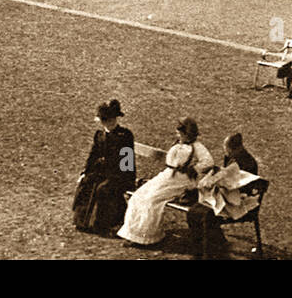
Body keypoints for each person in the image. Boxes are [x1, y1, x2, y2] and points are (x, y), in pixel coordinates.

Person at [118, 117, 213, 246]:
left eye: (180, 133)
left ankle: (148, 237)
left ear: (187, 133)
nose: (178, 135)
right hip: (168, 176)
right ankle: (134, 235)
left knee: (152, 200)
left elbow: (208, 162)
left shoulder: (197, 147)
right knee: (139, 195)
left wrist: (194, 168)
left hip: (182, 181)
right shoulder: (178, 144)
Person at [187, 133, 261, 260]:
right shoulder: (233, 157)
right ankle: (212, 245)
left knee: (204, 214)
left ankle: (210, 251)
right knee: (193, 211)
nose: (225, 150)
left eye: (226, 147)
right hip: (227, 197)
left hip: (238, 202)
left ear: (236, 148)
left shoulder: (246, 162)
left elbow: (242, 187)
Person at [73, 99, 136, 235]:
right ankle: (83, 221)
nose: (109, 123)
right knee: (86, 183)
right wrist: (85, 171)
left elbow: (128, 162)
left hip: (119, 174)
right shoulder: (100, 135)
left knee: (103, 189)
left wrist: (126, 180)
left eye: (112, 119)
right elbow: (93, 155)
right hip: (101, 172)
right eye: (106, 120)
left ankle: (104, 224)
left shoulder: (124, 136)